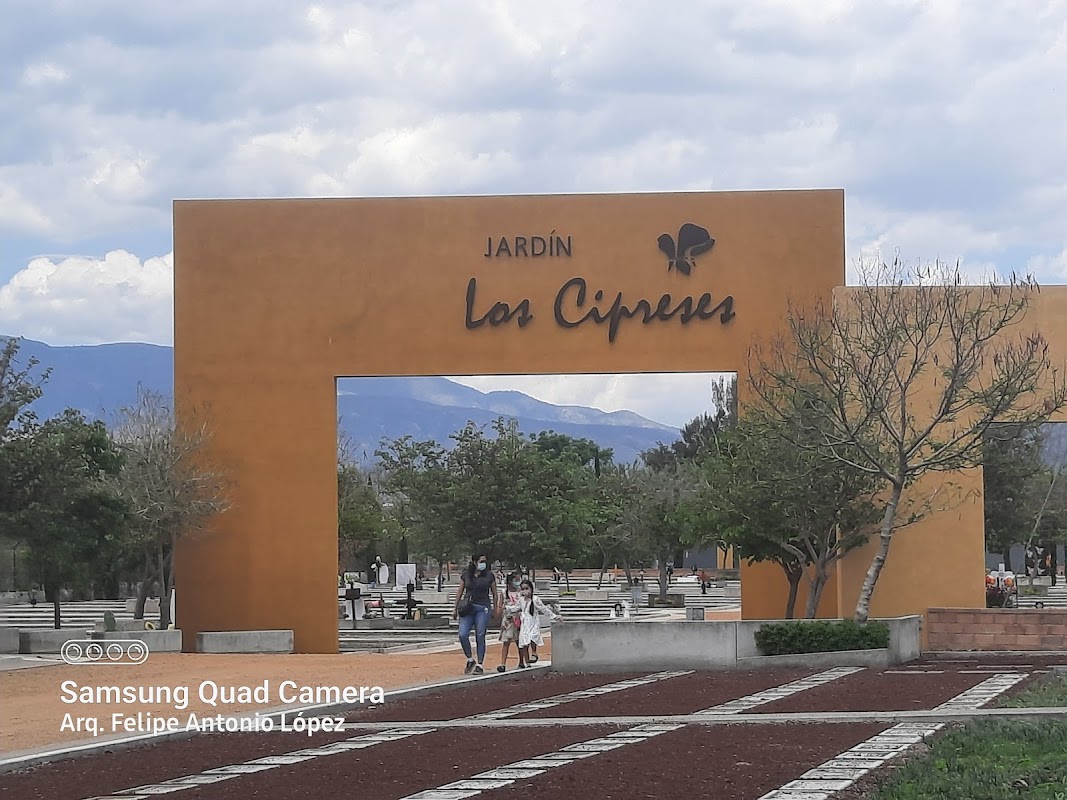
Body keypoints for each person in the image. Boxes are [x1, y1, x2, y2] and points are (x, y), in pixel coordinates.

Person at [453, 554, 500, 675]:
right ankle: (470, 659)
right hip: (468, 607)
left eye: (484, 561)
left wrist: (495, 609)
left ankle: (480, 663)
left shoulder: (489, 576)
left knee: (480, 634)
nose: (483, 563)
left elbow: (495, 593)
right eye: (481, 561)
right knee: (463, 634)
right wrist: (455, 607)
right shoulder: (467, 575)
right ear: (474, 562)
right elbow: (460, 590)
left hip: (482, 607)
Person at [516, 579, 563, 669]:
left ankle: (534, 652)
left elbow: (543, 609)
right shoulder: (521, 600)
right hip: (525, 622)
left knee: (533, 636)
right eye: (523, 589)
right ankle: (527, 661)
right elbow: (516, 608)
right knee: (524, 642)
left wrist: (554, 616)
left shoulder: (535, 599)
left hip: (533, 621)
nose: (525, 591)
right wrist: (508, 609)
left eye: (527, 588)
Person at [496, 570, 523, 673]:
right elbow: (500, 605)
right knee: (505, 642)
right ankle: (503, 663)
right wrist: (498, 615)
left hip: (518, 618)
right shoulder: (503, 592)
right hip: (507, 620)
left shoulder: (520, 592)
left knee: (519, 641)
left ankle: (521, 661)